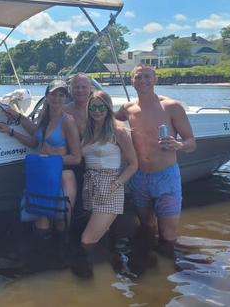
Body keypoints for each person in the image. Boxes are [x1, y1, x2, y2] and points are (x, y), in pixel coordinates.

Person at [115, 64, 196, 244]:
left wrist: (178, 145)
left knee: (167, 234)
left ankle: (170, 267)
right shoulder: (127, 108)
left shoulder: (171, 107)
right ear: (132, 81)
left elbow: (191, 143)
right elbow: (107, 118)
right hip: (139, 177)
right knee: (147, 226)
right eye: (138, 77)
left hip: (165, 177)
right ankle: (151, 261)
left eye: (147, 76)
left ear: (155, 79)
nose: (142, 80)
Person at [0, 79, 81, 233]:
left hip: (62, 174)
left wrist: (52, 159)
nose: (57, 98)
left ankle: (62, 253)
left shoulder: (68, 121)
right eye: (53, 94)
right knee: (42, 225)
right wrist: (11, 130)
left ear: (66, 98)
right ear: (46, 96)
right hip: (42, 175)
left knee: (62, 222)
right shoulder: (43, 116)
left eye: (61, 95)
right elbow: (34, 142)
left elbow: (76, 157)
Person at [71, 91, 138, 277]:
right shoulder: (88, 131)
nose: (97, 111)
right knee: (101, 233)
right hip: (90, 186)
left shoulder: (118, 130)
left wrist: (115, 186)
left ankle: (90, 273)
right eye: (93, 107)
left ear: (108, 108)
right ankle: (109, 268)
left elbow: (134, 164)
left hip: (110, 186)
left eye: (101, 106)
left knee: (87, 239)